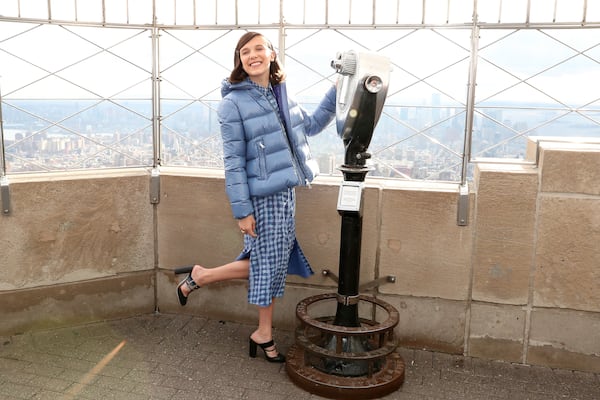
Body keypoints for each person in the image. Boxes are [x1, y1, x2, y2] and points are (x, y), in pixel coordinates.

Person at [175, 31, 336, 363]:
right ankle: (262, 332)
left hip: (286, 195)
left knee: (268, 264)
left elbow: (314, 124)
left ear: (272, 54)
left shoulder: (283, 96)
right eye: (244, 52)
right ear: (239, 61)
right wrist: (242, 211)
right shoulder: (232, 103)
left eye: (258, 48)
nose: (252, 55)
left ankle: (201, 277)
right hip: (262, 199)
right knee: (269, 265)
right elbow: (232, 161)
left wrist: (337, 91)